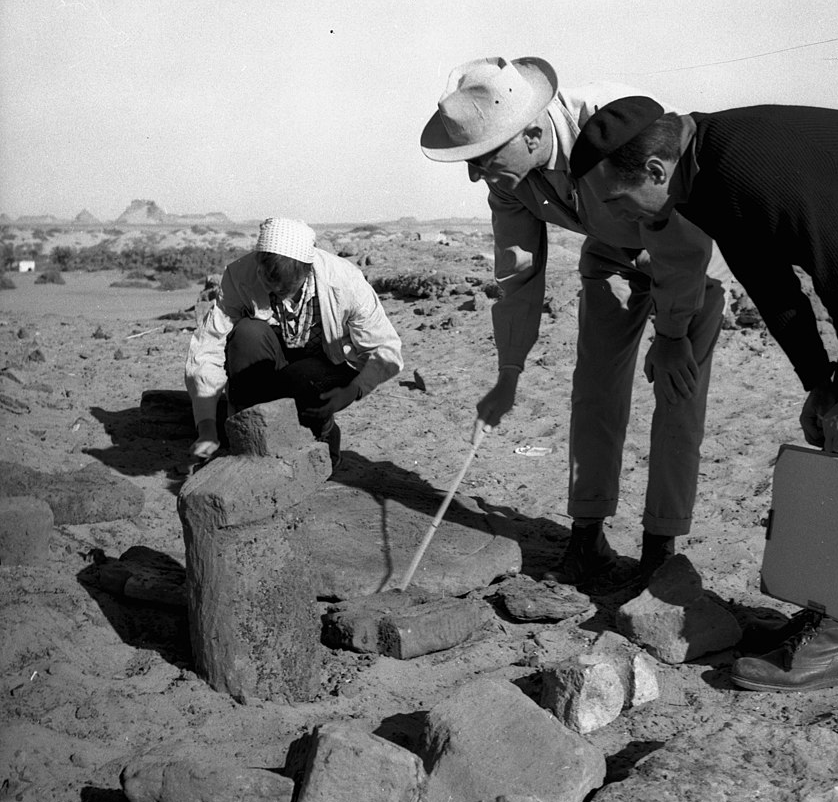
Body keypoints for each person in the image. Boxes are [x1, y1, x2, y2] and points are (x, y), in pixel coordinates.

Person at [569, 96, 838, 691]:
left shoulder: (749, 162)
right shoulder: (705, 179)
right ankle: (833, 612)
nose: (621, 220)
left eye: (620, 202)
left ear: (654, 171)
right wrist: (820, 385)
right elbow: (775, 291)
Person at [420, 56, 729, 589]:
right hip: (612, 255)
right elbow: (518, 270)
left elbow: (681, 241)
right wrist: (509, 372)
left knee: (678, 398)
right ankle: (587, 540)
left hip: (688, 259)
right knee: (595, 393)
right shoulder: (508, 177)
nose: (475, 174)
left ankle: (660, 550)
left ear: (534, 131)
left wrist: (672, 335)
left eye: (483, 158)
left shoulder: (619, 127)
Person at [185, 217, 403, 466]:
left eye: (286, 288)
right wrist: (206, 426)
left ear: (307, 269)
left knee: (305, 376)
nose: (277, 292)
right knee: (247, 334)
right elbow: (208, 346)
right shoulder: (239, 275)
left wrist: (354, 390)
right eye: (270, 285)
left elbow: (386, 349)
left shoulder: (345, 280)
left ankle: (322, 433)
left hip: (321, 369)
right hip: (268, 362)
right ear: (258, 263)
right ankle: (250, 429)